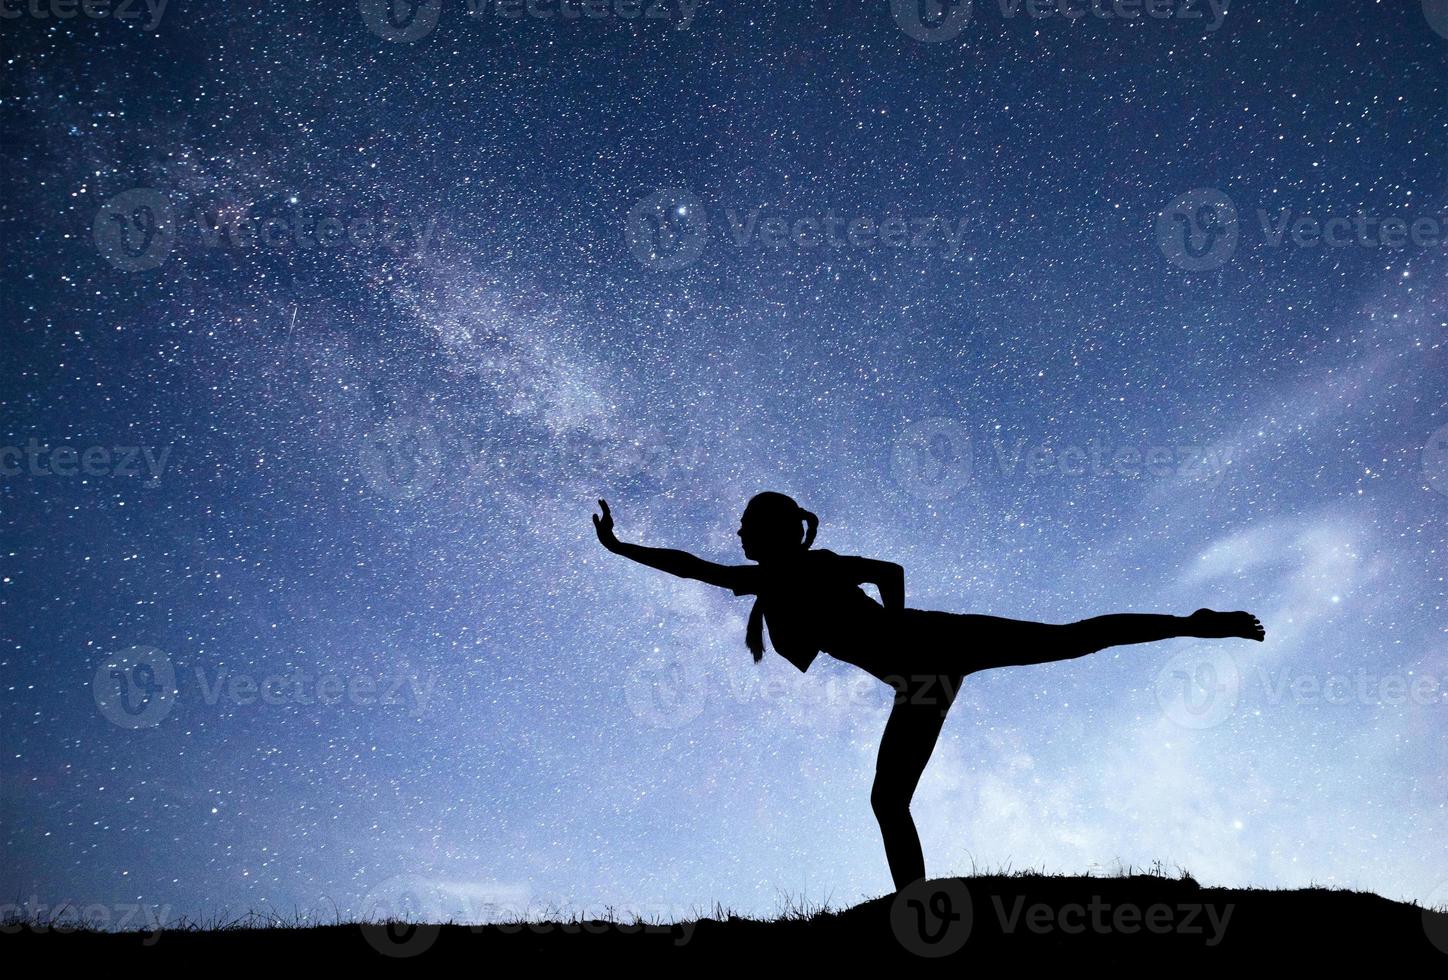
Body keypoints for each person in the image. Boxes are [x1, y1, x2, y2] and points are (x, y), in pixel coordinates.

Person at [591, 492, 1265, 891]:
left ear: (771, 531)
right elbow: (692, 568)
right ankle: (914, 905)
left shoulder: (813, 565)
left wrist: (898, 619)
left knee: (1073, 638)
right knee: (888, 799)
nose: (737, 534)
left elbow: (887, 568)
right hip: (920, 683)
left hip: (940, 645)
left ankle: (1192, 623)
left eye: (745, 526)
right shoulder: (769, 583)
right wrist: (621, 549)